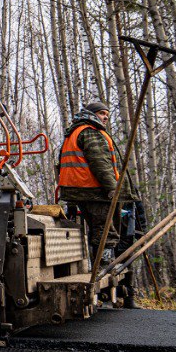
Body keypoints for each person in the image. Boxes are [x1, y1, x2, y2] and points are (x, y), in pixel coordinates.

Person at [57, 101, 123, 256]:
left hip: (76, 189)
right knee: (105, 227)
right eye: (101, 113)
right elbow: (100, 163)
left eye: (107, 114)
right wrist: (112, 188)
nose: (105, 117)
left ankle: (98, 262)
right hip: (93, 190)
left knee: (96, 227)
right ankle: (103, 264)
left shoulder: (73, 132)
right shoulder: (91, 132)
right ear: (92, 114)